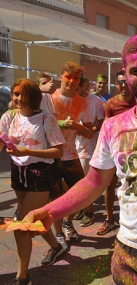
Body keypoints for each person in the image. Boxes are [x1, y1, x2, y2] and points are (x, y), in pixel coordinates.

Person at [23, 1, 137, 283]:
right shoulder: (112, 127)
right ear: (124, 73)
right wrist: (50, 211)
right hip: (128, 257)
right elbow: (94, 182)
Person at [1, 79, 66, 285]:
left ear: (33, 96)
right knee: (32, 220)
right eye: (15, 94)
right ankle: (57, 247)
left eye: (22, 94)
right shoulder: (8, 117)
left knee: (21, 225)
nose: (18, 98)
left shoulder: (47, 119)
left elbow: (59, 151)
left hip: (40, 172)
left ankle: (22, 277)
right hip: (17, 172)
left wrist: (27, 151)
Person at [40, 61, 93, 247]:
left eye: (76, 78)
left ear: (79, 81)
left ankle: (67, 221)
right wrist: (41, 87)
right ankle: (59, 233)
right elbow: (23, 101)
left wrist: (77, 126)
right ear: (61, 76)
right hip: (51, 157)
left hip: (71, 155)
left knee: (81, 195)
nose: (72, 81)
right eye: (68, 77)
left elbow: (88, 132)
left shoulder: (84, 103)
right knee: (54, 197)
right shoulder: (48, 98)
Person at [95, 69, 136, 235]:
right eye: (120, 82)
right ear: (117, 84)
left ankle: (132, 221)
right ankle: (110, 219)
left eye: (126, 81)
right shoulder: (111, 103)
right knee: (109, 185)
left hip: (135, 151)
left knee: (133, 186)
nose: (124, 85)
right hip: (115, 151)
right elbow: (106, 127)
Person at [74, 75, 105, 227]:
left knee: (87, 181)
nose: (73, 89)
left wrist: (88, 131)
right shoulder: (71, 100)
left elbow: (101, 121)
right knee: (77, 181)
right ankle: (81, 207)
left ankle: (89, 211)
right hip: (72, 148)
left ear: (84, 86)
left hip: (89, 147)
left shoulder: (95, 101)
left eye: (77, 86)